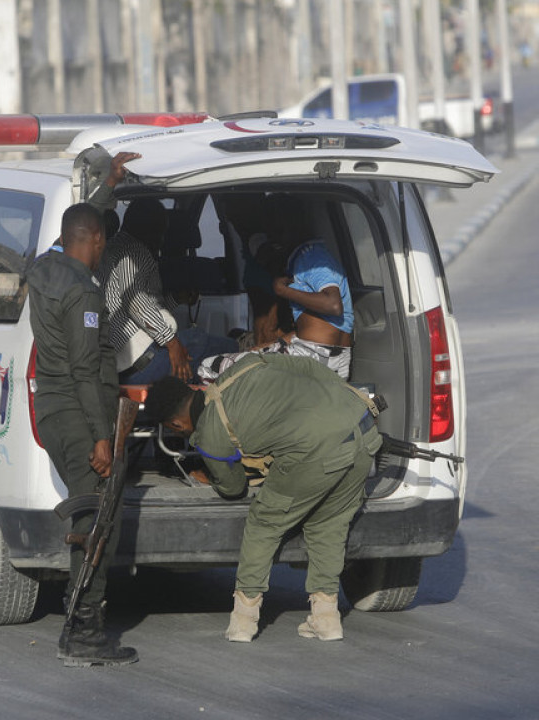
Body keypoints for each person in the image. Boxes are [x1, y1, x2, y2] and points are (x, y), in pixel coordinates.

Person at [143, 354, 382, 643]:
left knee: (264, 522)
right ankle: (326, 620)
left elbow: (233, 488)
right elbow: (307, 366)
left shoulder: (211, 433)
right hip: (362, 426)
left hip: (315, 452)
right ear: (194, 388)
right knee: (329, 524)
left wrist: (209, 475)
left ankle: (243, 623)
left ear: (175, 426)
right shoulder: (247, 366)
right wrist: (338, 399)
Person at [25, 203, 137, 667]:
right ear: (91, 240)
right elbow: (86, 371)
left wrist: (106, 187)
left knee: (90, 515)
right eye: (101, 241)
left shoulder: (43, 268)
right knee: (96, 522)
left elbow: (70, 228)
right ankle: (84, 631)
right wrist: (101, 437)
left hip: (52, 408)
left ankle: (81, 620)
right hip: (78, 413)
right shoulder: (84, 295)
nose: (103, 250)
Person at [93, 161, 236, 385]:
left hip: (123, 363)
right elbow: (137, 301)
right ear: (149, 229)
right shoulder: (134, 251)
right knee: (214, 345)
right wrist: (171, 342)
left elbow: (140, 310)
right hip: (137, 363)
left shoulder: (113, 249)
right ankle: (249, 350)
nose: (162, 241)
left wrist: (174, 299)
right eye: (161, 232)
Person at [199, 196, 355, 380]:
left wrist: (284, 291)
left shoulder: (311, 257)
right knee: (253, 356)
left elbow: (334, 305)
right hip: (323, 358)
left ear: (293, 226)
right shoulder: (306, 258)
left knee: (208, 368)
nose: (273, 238)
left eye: (277, 229)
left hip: (313, 358)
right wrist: (274, 344)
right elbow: (312, 327)